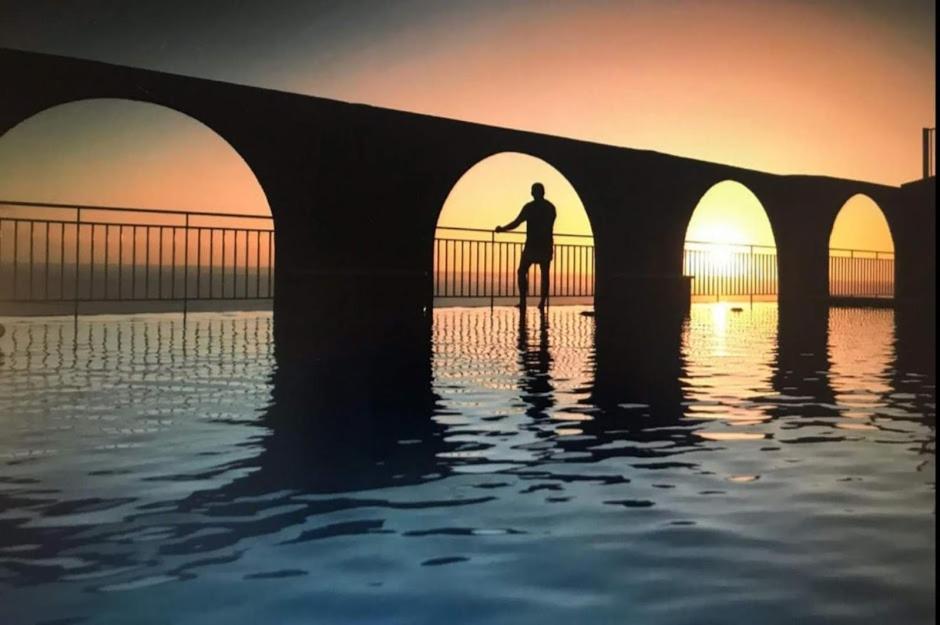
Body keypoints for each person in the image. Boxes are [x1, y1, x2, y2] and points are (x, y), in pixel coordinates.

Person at [495, 182, 556, 309]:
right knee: (544, 274)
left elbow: (516, 222)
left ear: (533, 193)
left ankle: (523, 301)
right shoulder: (550, 207)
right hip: (545, 245)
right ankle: (542, 303)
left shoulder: (529, 207)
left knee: (522, 271)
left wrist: (502, 229)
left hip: (532, 245)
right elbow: (548, 225)